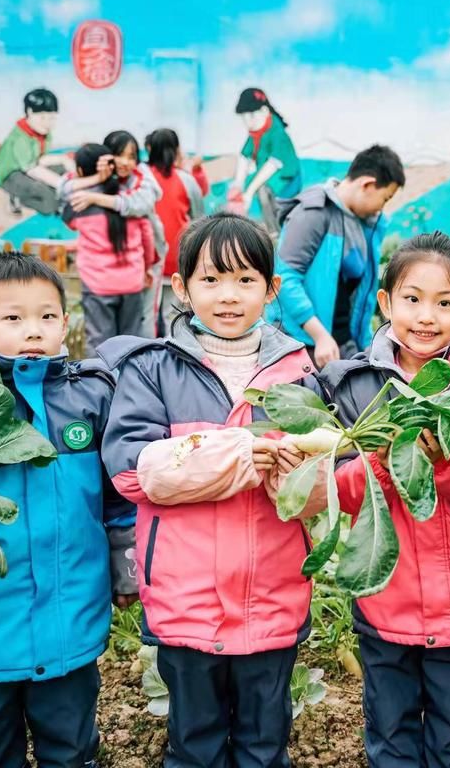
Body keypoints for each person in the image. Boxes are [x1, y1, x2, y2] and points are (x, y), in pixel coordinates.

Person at [100, 213, 325, 767]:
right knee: (194, 742)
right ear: (181, 288)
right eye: (210, 280)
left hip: (273, 591)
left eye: (245, 280)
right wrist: (240, 453)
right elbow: (132, 471)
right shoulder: (151, 369)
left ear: (272, 290)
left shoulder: (298, 372)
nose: (228, 296)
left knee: (264, 744)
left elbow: (321, 490)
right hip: (186, 596)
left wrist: (300, 468)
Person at [322, 232, 450, 768]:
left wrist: (442, 466)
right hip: (385, 602)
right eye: (412, 299)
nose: (426, 316)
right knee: (390, 736)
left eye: (445, 303)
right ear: (385, 303)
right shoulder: (352, 386)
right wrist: (382, 457)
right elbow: (331, 491)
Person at [0, 253, 135, 766]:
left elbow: (116, 498)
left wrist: (125, 566)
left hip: (70, 619)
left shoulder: (90, 397)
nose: (33, 330)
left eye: (47, 316)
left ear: (66, 323)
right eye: (13, 317)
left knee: (70, 749)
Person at [275, 145, 405, 368]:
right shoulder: (313, 213)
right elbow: (285, 278)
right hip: (304, 343)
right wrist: (319, 336)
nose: (381, 209)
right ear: (367, 184)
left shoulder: (365, 224)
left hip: (341, 341)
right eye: (385, 199)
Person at [61, 130, 165, 337]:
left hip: (148, 262)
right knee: (131, 333)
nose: (126, 162)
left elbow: (139, 204)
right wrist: (96, 179)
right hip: (134, 272)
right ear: (106, 156)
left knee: (143, 321)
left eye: (132, 156)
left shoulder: (139, 177)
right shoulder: (96, 180)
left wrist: (95, 198)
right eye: (120, 155)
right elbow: (63, 188)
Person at [146, 128, 209, 334]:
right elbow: (199, 218)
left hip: (147, 260)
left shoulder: (142, 178)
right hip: (176, 257)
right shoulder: (185, 180)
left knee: (147, 318)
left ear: (150, 149)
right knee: (173, 315)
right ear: (175, 150)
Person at [229, 88, 301, 235]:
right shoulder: (256, 133)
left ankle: (278, 234)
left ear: (264, 111)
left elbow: (272, 165)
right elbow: (244, 156)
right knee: (262, 192)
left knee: (267, 196)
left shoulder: (277, 133)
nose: (247, 122)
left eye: (251, 116)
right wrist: (238, 184)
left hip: (288, 180)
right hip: (272, 180)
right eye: (244, 117)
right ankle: (273, 231)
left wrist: (249, 192)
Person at [0, 88, 71, 216]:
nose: (48, 123)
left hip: (31, 167)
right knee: (48, 197)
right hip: (13, 175)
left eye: (52, 118)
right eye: (42, 118)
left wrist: (64, 160)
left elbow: (41, 159)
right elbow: (31, 169)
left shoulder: (44, 133)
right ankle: (18, 199)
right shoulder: (20, 138)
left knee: (63, 171)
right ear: (30, 112)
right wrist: (61, 184)